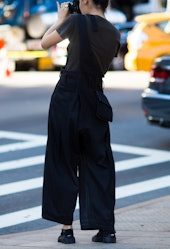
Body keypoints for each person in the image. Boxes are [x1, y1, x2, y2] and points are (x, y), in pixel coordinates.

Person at [40, 0, 120, 244]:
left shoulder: (75, 21)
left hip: (67, 96)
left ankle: (67, 230)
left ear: (85, 1)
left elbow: (45, 43)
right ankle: (106, 229)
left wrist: (61, 17)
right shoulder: (115, 32)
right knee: (99, 163)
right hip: (95, 98)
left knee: (63, 159)